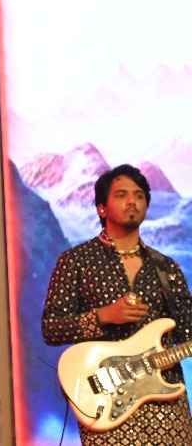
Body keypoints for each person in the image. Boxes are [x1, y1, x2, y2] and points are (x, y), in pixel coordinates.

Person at [41, 163, 192, 444]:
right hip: (107, 402)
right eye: (122, 195)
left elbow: (185, 334)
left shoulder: (167, 267)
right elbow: (51, 329)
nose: (132, 201)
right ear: (102, 208)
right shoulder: (76, 261)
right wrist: (102, 316)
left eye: (139, 195)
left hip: (167, 407)